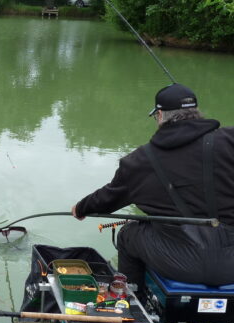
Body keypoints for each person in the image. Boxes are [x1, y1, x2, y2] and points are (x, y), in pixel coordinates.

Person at [71, 82, 234, 291]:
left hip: (180, 264)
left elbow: (108, 198)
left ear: (159, 116)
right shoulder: (229, 141)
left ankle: (131, 301)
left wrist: (82, 207)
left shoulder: (139, 161)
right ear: (196, 112)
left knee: (129, 234)